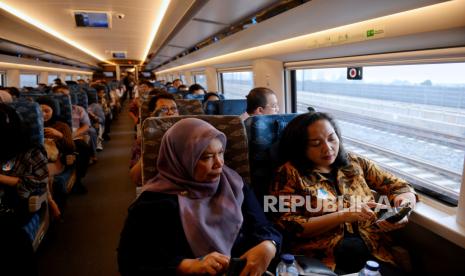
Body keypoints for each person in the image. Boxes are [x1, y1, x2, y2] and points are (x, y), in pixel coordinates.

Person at [118, 118, 281, 275]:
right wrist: (188, 266)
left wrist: (268, 245)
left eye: (221, 153)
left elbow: (263, 225)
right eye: (206, 157)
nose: (219, 163)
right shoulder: (154, 203)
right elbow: (131, 263)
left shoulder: (234, 184)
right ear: (181, 160)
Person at [270, 112, 417, 275]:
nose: (327, 148)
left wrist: (403, 211)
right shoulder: (288, 174)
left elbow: (401, 187)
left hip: (375, 254)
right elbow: (288, 224)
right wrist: (343, 215)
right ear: (300, 146)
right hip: (324, 261)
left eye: (332, 138)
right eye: (316, 143)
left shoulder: (355, 164)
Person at [1, 103, 49, 276]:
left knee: (11, 236)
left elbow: (39, 182)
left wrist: (3, 179)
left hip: (13, 203)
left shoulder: (30, 151)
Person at [37, 96, 75, 219]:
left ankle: (53, 207)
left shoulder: (62, 126)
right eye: (40, 110)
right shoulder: (31, 127)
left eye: (47, 111)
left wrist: (59, 136)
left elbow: (71, 148)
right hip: (36, 160)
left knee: (44, 172)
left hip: (56, 160)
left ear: (54, 110)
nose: (43, 114)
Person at [129, 93, 179, 187]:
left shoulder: (190, 133)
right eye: (164, 109)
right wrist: (150, 145)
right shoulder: (144, 140)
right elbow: (136, 178)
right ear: (152, 114)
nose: (170, 113)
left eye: (174, 109)